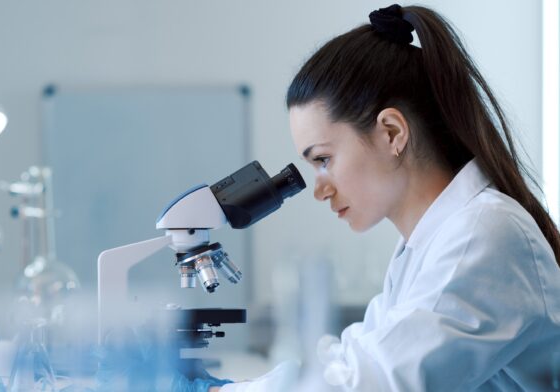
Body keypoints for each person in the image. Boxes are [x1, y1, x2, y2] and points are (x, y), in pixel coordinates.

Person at [218, 4, 560, 391]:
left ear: (393, 132)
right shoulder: (422, 246)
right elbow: (355, 357)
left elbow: (374, 382)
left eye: (324, 159)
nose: (319, 189)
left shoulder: (484, 235)